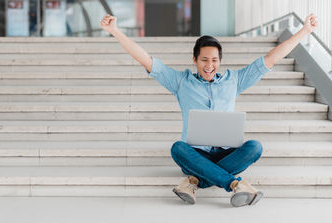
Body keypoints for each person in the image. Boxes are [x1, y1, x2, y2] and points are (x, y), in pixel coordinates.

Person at [100, 13, 318, 207]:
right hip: (195, 153)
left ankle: (195, 180)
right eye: (204, 59)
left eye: (214, 60)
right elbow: (146, 60)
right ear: (194, 59)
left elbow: (271, 59)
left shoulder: (235, 80)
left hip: (226, 152)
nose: (209, 65)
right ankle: (234, 184)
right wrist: (115, 31)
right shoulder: (180, 81)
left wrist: (304, 31)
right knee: (178, 148)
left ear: (220, 61)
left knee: (254, 147)